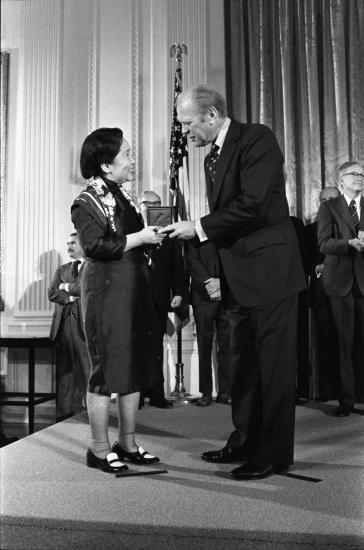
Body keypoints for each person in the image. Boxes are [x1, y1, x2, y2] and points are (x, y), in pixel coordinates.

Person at [160, 84, 306, 480]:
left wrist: (199, 227)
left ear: (211, 114)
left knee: (273, 368)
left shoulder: (256, 138)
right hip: (238, 277)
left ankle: (273, 454)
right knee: (240, 366)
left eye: (188, 122)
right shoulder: (211, 157)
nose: (185, 131)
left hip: (271, 273)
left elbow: (254, 204)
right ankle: (244, 440)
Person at [71, 127, 165, 473]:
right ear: (106, 165)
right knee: (105, 371)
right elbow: (94, 246)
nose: (131, 160)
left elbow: (130, 239)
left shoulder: (122, 195)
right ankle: (97, 449)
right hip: (106, 294)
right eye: (126, 154)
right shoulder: (85, 202)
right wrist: (139, 237)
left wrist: (150, 238)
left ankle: (127, 443)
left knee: (133, 368)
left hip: (132, 290)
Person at [317, 162, 364, 417]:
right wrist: (349, 243)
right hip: (340, 283)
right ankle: (347, 400)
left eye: (362, 174)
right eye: (353, 174)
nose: (359, 177)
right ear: (341, 179)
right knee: (344, 344)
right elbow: (324, 243)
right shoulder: (329, 207)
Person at [138, 190, 185, 408]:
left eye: (157, 203)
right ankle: (135, 396)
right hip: (134, 300)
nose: (153, 207)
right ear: (140, 206)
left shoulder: (168, 236)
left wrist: (179, 292)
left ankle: (157, 394)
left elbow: (178, 266)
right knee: (135, 348)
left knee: (156, 348)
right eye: (148, 203)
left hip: (158, 299)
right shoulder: (131, 231)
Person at [48, 233, 89, 421]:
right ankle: (63, 416)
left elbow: (84, 288)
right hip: (63, 327)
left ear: (83, 244)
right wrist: (69, 296)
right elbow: (51, 293)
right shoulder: (62, 268)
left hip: (83, 328)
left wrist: (65, 287)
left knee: (86, 371)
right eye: (68, 243)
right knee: (64, 374)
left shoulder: (93, 266)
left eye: (73, 243)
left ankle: (87, 414)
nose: (69, 246)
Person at [185, 240, 231, 406]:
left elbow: (233, 258)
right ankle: (205, 392)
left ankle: (226, 392)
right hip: (201, 294)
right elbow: (191, 260)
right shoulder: (193, 232)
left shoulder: (226, 229)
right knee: (204, 345)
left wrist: (221, 283)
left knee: (227, 345)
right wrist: (209, 282)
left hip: (227, 294)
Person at [305, 187, 341, 401]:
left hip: (351, 294)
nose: (327, 202)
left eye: (331, 199)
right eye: (323, 200)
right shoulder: (310, 231)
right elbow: (303, 261)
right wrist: (318, 268)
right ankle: (328, 390)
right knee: (326, 345)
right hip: (322, 295)